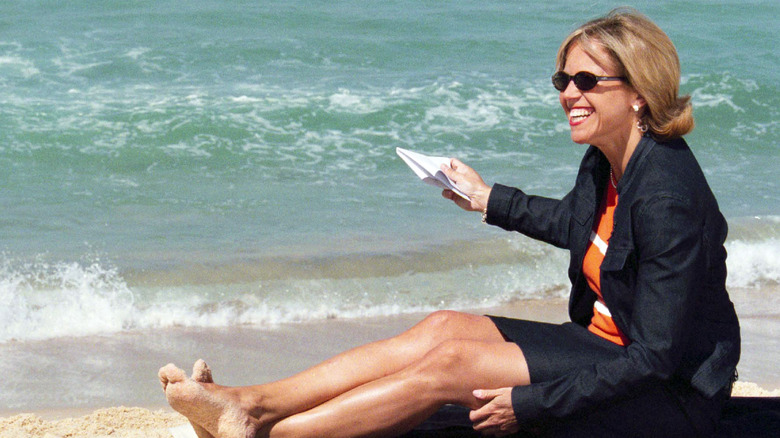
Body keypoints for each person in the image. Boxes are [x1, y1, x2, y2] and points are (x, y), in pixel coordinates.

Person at [158, 8, 740, 438]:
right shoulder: (608, 158)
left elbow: (656, 359)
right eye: (561, 80)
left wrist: (530, 406)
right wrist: (488, 198)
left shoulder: (668, 198)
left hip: (667, 397)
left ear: (640, 92)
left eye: (586, 82)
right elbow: (578, 226)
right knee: (442, 328)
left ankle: (273, 434)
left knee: (452, 366)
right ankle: (251, 402)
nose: (568, 94)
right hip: (603, 349)